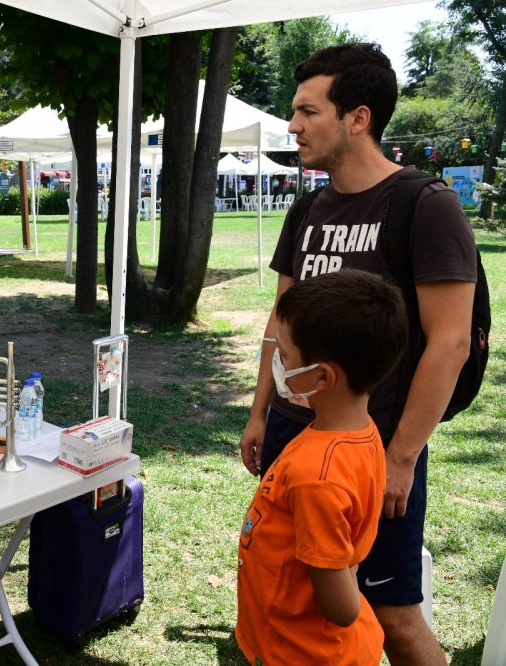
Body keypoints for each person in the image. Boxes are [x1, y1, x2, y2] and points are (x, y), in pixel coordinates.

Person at [238, 43, 476, 666]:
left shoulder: (425, 206)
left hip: (373, 448)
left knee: (394, 614)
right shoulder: (308, 206)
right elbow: (280, 317)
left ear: (358, 118)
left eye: (307, 111)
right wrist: (261, 410)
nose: (292, 126)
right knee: (294, 590)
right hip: (295, 431)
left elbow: (449, 342)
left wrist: (402, 457)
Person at [236, 269, 408, 665]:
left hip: (306, 651)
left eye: (285, 356)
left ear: (323, 376)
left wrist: (340, 573)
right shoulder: (362, 434)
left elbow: (343, 609)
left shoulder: (319, 476)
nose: (278, 363)